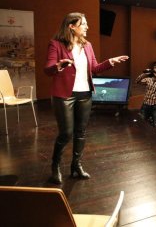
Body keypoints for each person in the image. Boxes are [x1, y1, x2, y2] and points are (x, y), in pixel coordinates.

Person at [44, 12, 128, 184]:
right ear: (71, 26)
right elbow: (48, 68)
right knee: (66, 133)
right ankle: (55, 167)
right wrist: (58, 65)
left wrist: (110, 61)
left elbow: (95, 68)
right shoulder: (56, 44)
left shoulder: (87, 45)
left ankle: (76, 166)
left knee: (81, 132)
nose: (87, 27)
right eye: (83, 24)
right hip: (64, 95)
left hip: (85, 94)